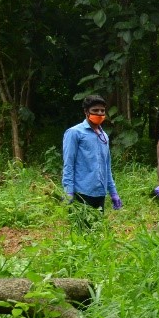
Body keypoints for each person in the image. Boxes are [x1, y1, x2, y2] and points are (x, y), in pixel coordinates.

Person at [62, 95, 121, 223]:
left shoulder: (104, 136)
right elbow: (69, 164)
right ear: (86, 111)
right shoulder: (74, 133)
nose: (100, 113)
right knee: (81, 234)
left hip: (100, 193)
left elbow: (107, 167)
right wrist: (68, 191)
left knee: (98, 231)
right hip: (81, 193)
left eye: (102, 110)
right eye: (95, 110)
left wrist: (113, 192)